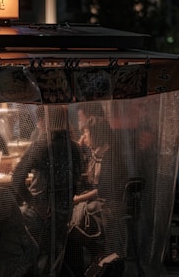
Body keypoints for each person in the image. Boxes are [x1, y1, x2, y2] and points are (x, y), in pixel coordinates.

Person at [12, 105, 82, 276]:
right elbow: (76, 182)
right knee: (53, 253)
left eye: (40, 121)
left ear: (44, 122)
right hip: (65, 213)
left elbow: (16, 180)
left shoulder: (41, 146)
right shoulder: (74, 147)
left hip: (41, 214)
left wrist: (36, 204)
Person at [65, 116, 126, 275]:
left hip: (108, 205)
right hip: (99, 202)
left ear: (96, 134)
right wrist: (79, 148)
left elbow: (104, 189)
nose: (84, 137)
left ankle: (94, 260)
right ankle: (93, 260)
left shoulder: (109, 155)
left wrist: (78, 199)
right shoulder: (97, 153)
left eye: (86, 133)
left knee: (71, 221)